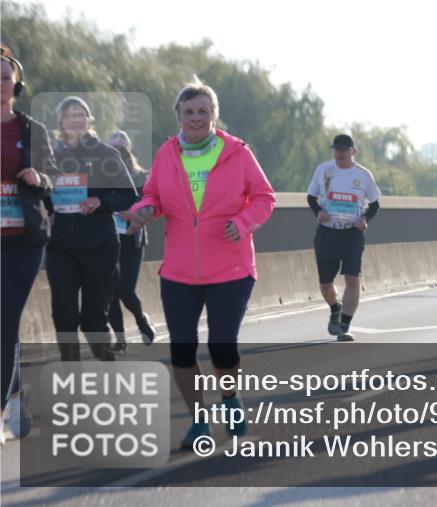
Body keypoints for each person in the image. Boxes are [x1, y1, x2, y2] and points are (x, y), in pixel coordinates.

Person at [127, 80, 276, 449]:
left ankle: (229, 399)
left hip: (231, 267)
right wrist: (144, 210)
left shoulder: (237, 153)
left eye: (202, 111)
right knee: (182, 348)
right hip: (178, 268)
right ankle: (198, 422)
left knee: (222, 347)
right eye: (188, 112)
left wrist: (242, 224)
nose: (195, 118)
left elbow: (264, 197)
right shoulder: (167, 153)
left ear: (214, 116)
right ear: (178, 115)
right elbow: (152, 195)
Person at [47, 96, 137, 362]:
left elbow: (129, 196)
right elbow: (41, 197)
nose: (75, 120)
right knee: (63, 318)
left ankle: (108, 367)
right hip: (61, 247)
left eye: (80, 115)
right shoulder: (52, 156)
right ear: (61, 122)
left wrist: (101, 201)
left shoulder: (105, 154)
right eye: (69, 115)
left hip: (99, 247)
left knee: (93, 322)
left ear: (89, 121)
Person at [0, 45, 56, 440]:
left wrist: (40, 177)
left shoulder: (31, 128)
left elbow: (53, 174)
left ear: (16, 83)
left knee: (3, 321)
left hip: (23, 239)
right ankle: (16, 393)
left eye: (5, 76)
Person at [306, 134, 381, 341]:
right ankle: (334, 307)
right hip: (327, 233)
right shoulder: (324, 170)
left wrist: (365, 218)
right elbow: (311, 197)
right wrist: (318, 212)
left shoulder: (363, 175)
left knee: (352, 279)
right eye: (336, 150)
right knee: (325, 284)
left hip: (352, 234)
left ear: (353, 152)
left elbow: (374, 204)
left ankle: (345, 325)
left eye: (344, 150)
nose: (340, 154)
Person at [106, 130, 156, 353]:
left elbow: (150, 204)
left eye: (122, 149)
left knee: (125, 289)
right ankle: (120, 339)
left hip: (132, 240)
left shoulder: (141, 177)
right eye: (113, 150)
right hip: (107, 240)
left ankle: (141, 320)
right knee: (110, 292)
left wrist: (133, 212)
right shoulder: (101, 176)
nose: (119, 154)